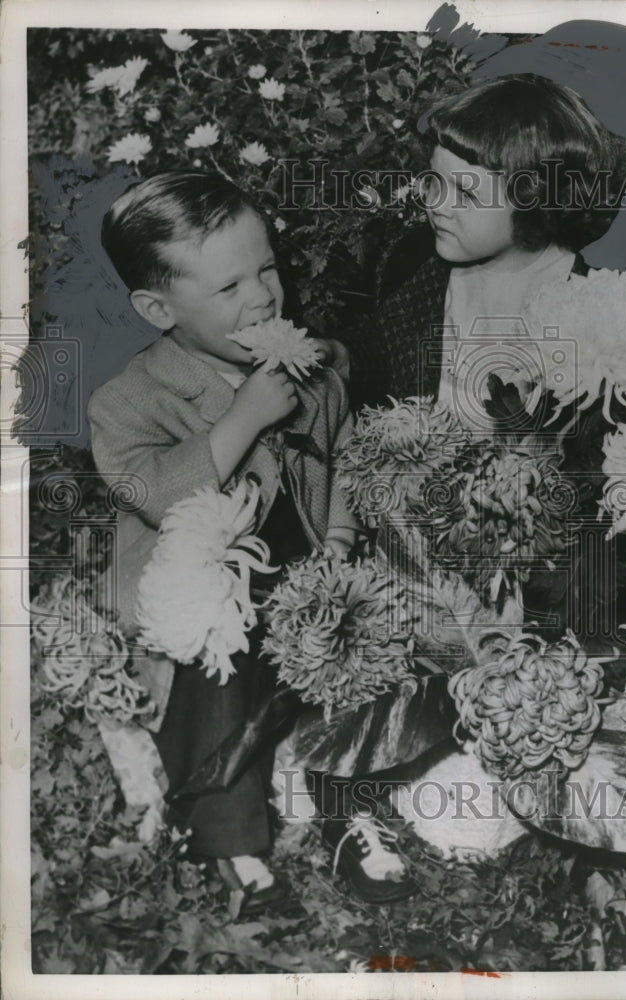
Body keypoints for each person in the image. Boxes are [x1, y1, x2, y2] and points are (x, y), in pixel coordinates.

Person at [88, 171, 412, 915]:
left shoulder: (316, 373)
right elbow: (150, 494)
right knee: (218, 671)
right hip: (208, 594)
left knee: (359, 648)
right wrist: (242, 416)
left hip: (301, 571)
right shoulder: (129, 401)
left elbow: (340, 463)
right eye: (230, 288)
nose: (264, 296)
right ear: (157, 308)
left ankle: (348, 807)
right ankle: (230, 837)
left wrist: (336, 540)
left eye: (266, 268)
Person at [354, 73, 626, 426]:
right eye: (434, 180)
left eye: (466, 194)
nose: (436, 203)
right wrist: (340, 358)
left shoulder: (591, 315)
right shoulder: (418, 263)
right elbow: (382, 348)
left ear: (536, 202)